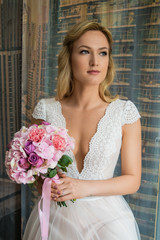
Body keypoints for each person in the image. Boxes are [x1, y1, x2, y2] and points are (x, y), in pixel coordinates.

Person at [23, 21, 141, 240]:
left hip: (108, 223)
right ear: (69, 57)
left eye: (103, 53)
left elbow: (132, 180)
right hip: (56, 221)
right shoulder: (45, 110)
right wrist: (44, 184)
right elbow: (38, 174)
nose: (95, 61)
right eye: (85, 51)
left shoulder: (124, 112)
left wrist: (82, 188)